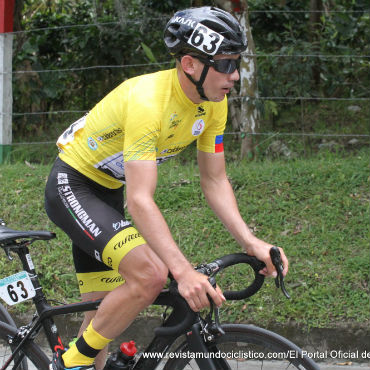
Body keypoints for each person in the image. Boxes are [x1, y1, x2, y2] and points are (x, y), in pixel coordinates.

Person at [45, 6, 289, 370]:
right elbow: (140, 199)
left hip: (107, 193)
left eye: (236, 63)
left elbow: (215, 180)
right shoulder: (148, 102)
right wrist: (183, 271)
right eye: (224, 65)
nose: (234, 75)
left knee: (103, 311)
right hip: (74, 185)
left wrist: (252, 243)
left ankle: (80, 359)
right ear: (190, 65)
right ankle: (69, 362)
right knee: (151, 274)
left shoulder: (213, 105)